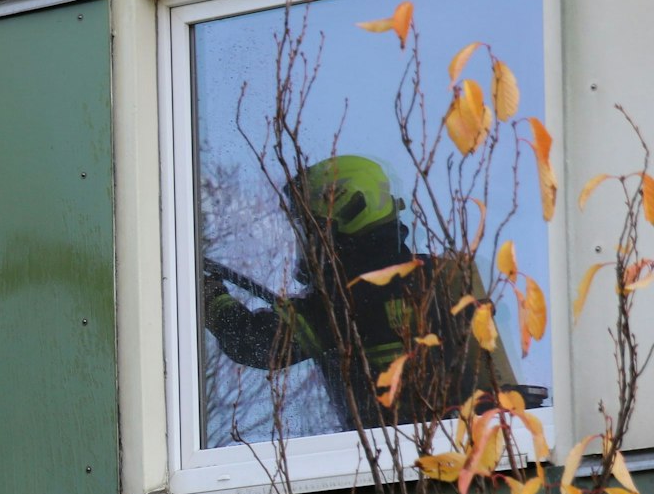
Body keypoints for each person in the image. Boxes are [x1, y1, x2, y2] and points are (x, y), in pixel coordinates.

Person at [201, 154, 524, 430]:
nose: (306, 242)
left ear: (345, 217)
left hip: (405, 469)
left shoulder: (356, 296)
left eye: (311, 228)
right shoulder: (420, 277)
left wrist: (209, 297)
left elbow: (256, 344)